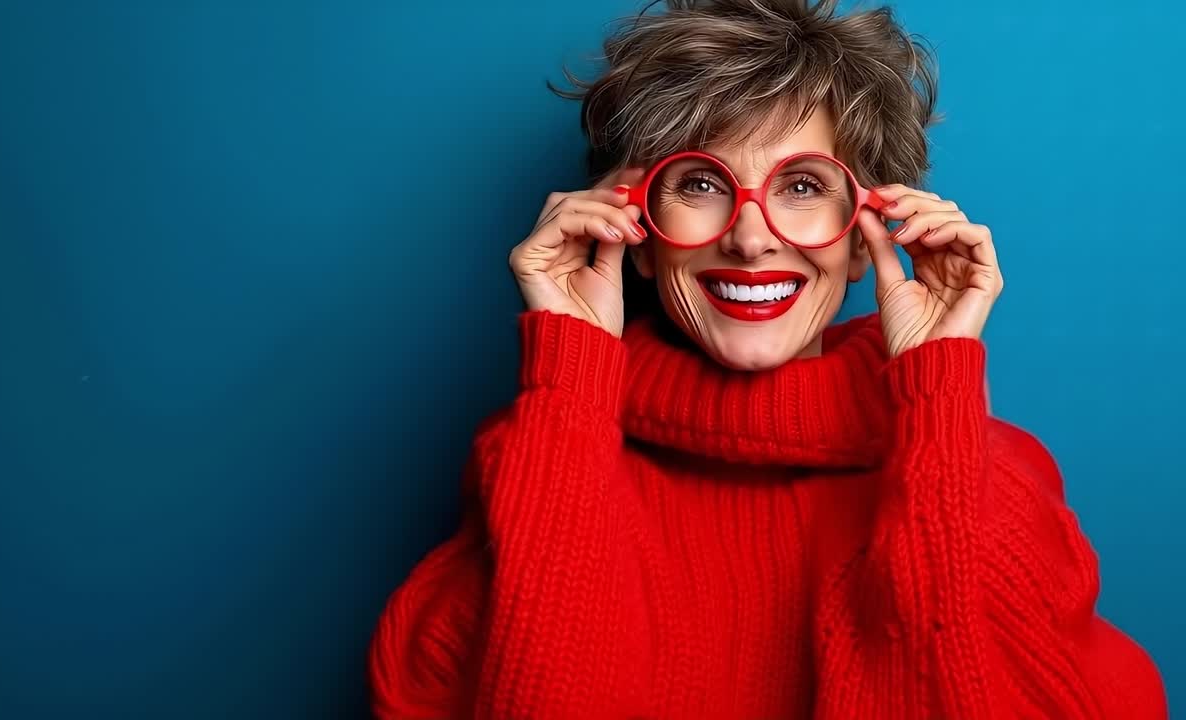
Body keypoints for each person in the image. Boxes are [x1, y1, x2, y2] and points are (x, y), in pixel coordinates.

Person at [366, 1, 1167, 717]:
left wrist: (938, 402)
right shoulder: (541, 455)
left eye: (804, 187)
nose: (750, 239)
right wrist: (569, 383)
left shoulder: (991, 473)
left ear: (867, 235)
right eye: (700, 184)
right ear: (635, 232)